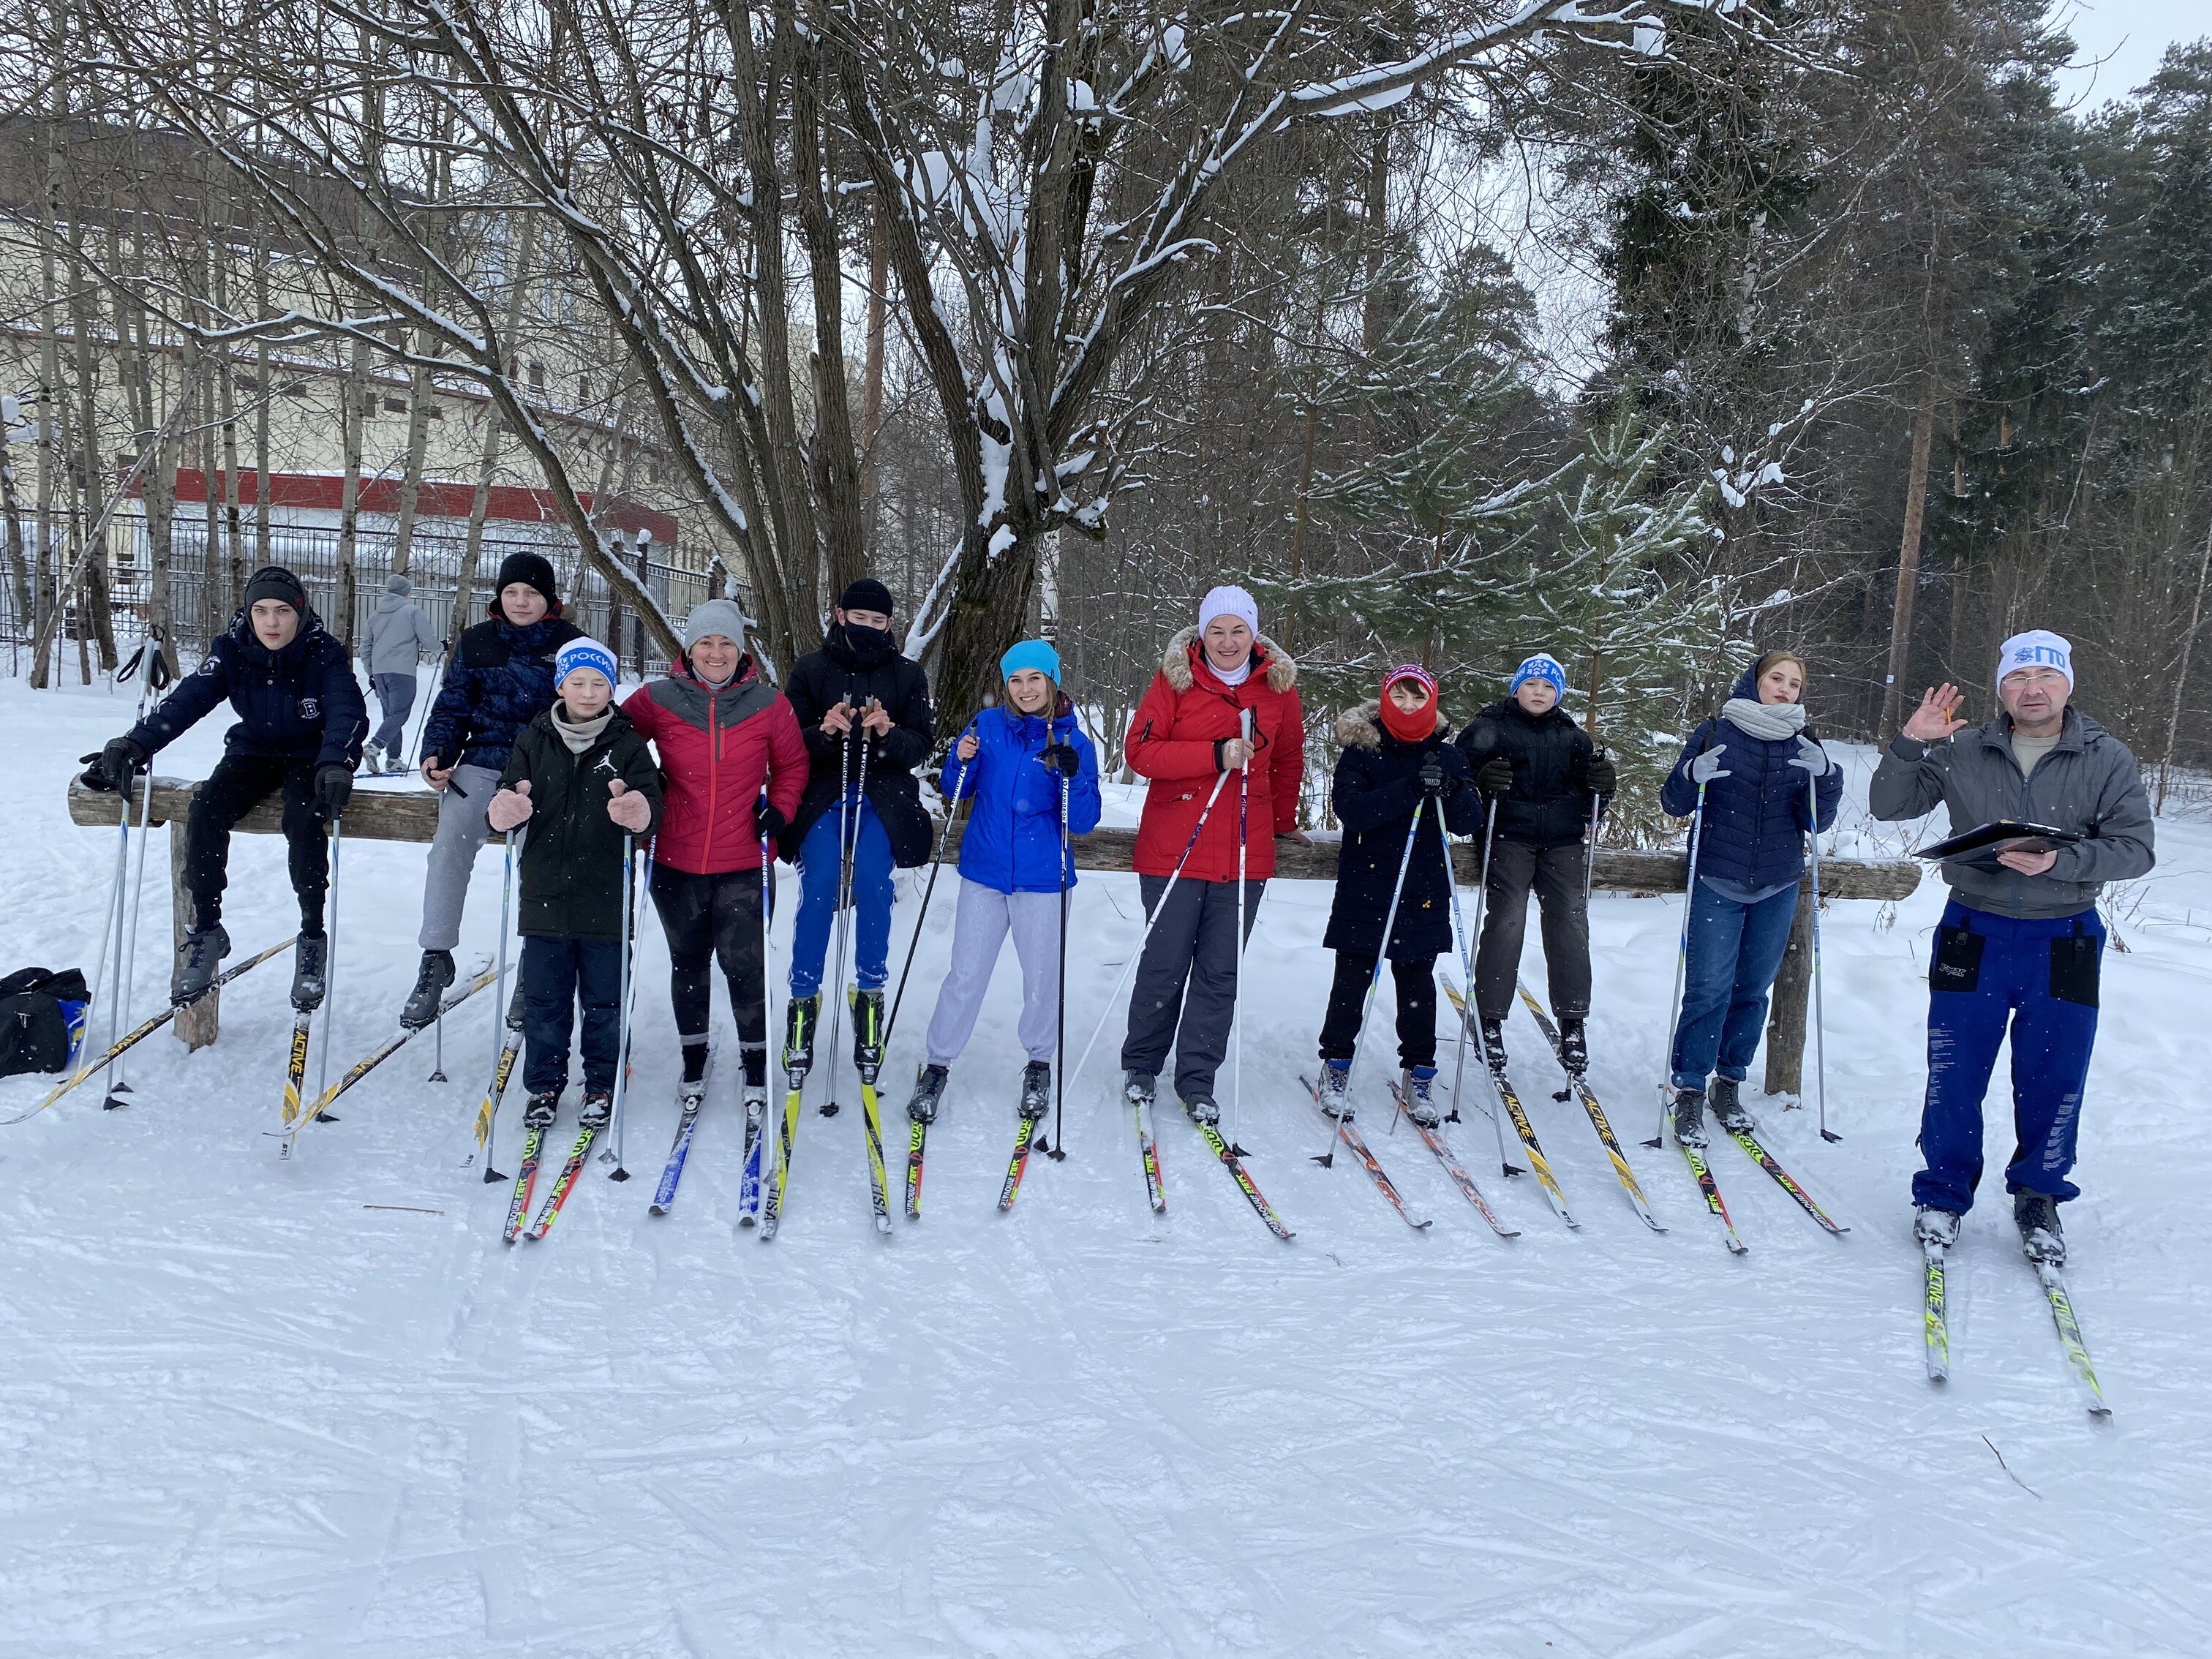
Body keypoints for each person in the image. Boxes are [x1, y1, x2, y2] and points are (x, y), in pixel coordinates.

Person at [1870, 630, 2153, 1263]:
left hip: (2067, 935)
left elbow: (2136, 849)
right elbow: (1887, 806)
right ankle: (1941, 1195)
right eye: (2019, 678)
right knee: (1955, 1070)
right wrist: (1914, 740)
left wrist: (2062, 858)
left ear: (2067, 684)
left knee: (2055, 1074)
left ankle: (2039, 1196)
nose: (2032, 689)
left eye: (2046, 678)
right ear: (2001, 688)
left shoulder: (2107, 758)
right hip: (1974, 931)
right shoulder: (1963, 747)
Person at [83, 565, 366, 1011]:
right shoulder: (233, 648)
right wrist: (135, 743)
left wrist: (336, 762)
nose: (271, 623)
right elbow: (189, 698)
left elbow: (347, 711)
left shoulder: (324, 652)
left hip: (311, 755)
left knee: (304, 817)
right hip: (253, 750)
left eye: (281, 612)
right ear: (249, 614)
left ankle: (312, 936)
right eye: (260, 611)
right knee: (206, 809)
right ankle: (209, 930)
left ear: (300, 613)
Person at [1121, 584, 1306, 1125]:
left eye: (1238, 630)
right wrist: (1213, 754)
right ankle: (1141, 1065)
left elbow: (1290, 758)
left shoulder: (1277, 689)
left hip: (1245, 854)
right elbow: (1141, 752)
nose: (1227, 642)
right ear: (1202, 634)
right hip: (1174, 847)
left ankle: (1198, 1078)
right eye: (1217, 631)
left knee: (1220, 974)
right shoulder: (1175, 681)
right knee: (1165, 965)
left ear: (1254, 634)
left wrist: (1280, 824)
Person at [622, 600, 808, 1118]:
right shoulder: (656, 699)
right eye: (706, 642)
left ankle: (754, 1063)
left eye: (726, 642)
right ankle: (694, 1057)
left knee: (744, 966)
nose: (717, 652)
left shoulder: (770, 705)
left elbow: (792, 764)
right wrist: (645, 790)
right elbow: (615, 744)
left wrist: (783, 808)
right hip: (674, 859)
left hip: (744, 857)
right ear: (689, 648)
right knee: (688, 964)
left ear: (741, 649)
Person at [908, 639, 1102, 1124]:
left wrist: (1073, 778)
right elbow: (955, 792)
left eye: (1034, 678)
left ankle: (1039, 1063)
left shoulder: (1072, 740)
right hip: (986, 873)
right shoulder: (987, 726)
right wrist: (959, 757)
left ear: (1052, 680)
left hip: (1043, 879)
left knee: (1041, 982)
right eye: (1015, 680)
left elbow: (1082, 821)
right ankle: (937, 1063)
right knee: (965, 975)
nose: (1024, 688)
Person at [1658, 651, 1843, 1146]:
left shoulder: (1805, 741)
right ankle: (1691, 1089)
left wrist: (1826, 777)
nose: (1784, 689)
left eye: (1794, 683)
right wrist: (1690, 774)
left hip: (1777, 885)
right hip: (1718, 878)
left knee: (1752, 991)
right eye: (1775, 679)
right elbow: (1673, 801)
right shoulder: (1717, 730)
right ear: (1755, 682)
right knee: (1708, 989)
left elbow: (1815, 822)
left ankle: (1729, 1083)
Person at [485, 637, 663, 1130]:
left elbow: (653, 805)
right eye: (579, 682)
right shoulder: (533, 738)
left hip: (604, 896)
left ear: (612, 687)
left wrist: (639, 812)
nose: (588, 692)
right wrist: (503, 809)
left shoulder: (627, 745)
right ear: (561, 684)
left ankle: (601, 1085)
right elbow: (507, 792)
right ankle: (544, 1086)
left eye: (600, 683)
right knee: (545, 1002)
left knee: (605, 1002)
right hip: (544, 895)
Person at [407, 552, 584, 1028]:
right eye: (511, 592)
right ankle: (435, 956)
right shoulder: (476, 643)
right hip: (483, 766)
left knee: (544, 860)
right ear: (499, 597)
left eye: (531, 593)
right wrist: (439, 752)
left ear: (549, 600)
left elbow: (590, 710)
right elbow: (453, 704)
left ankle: (536, 964)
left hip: (547, 771)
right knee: (449, 846)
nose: (521, 601)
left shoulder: (572, 644)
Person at [778, 579, 934, 1082]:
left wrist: (888, 735)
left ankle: (870, 995)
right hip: (824, 791)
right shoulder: (810, 669)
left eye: (878, 621)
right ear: (840, 615)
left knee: (872, 879)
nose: (868, 627)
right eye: (859, 618)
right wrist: (823, 733)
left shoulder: (908, 675)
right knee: (821, 881)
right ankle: (803, 1001)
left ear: (889, 625)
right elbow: (786, 745)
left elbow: (921, 747)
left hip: (882, 793)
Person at [1314, 664, 1478, 1128]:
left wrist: (1449, 789)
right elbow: (1353, 811)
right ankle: (1336, 1063)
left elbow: (1470, 819)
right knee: (1352, 979)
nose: (1409, 707)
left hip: (1423, 886)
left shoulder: (1449, 755)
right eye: (1400, 698)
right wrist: (1409, 788)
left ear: (1433, 701)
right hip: (1367, 881)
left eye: (1418, 698)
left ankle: (1419, 1070)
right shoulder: (1361, 751)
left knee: (1417, 984)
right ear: (1385, 701)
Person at [1458, 652, 1614, 1072]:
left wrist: (1603, 786)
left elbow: (1590, 801)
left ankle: (1573, 1020)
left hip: (1562, 841)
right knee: (1508, 919)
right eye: (1531, 684)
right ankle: (1490, 1016)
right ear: (1516, 688)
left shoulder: (1573, 736)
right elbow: (1457, 780)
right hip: (1508, 835)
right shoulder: (1489, 728)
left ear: (1558, 693)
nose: (1539, 692)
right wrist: (1479, 782)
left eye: (1548, 686)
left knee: (1569, 920)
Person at [358, 572, 440, 775]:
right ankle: (374, 747)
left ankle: (393, 759)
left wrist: (370, 672)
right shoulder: (412, 612)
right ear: (406, 593)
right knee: (400, 713)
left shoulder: (375, 615)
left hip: (380, 672)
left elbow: (365, 646)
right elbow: (428, 640)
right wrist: (441, 647)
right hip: (402, 671)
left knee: (391, 715)